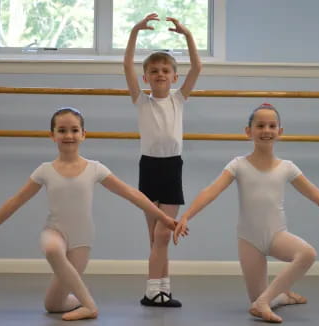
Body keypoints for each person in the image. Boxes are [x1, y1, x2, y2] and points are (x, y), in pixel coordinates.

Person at [0, 107, 179, 321]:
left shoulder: (95, 168)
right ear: (52, 136)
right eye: (62, 130)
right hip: (55, 231)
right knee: (52, 249)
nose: (68, 135)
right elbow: (15, 201)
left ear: (83, 134)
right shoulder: (45, 170)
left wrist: (164, 218)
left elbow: (131, 194)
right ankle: (90, 305)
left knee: (52, 305)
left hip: (81, 241)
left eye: (74, 130)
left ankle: (77, 299)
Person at [173, 103, 319, 323]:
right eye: (260, 125)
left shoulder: (287, 167)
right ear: (249, 131)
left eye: (272, 126)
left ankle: (265, 302)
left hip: (277, 236)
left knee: (307, 254)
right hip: (249, 240)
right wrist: (187, 215)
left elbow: (318, 196)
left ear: (280, 132)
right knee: (256, 298)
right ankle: (279, 297)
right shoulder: (238, 165)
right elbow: (210, 191)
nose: (266, 130)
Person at [123, 12, 202, 307]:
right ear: (146, 77)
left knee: (163, 235)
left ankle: (156, 291)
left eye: (165, 70)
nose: (159, 74)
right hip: (149, 167)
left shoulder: (178, 99)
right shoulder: (141, 100)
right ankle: (158, 291)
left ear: (173, 77)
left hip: (171, 167)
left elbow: (198, 66)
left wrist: (187, 35)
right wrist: (134, 31)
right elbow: (126, 66)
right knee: (154, 238)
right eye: (153, 70)